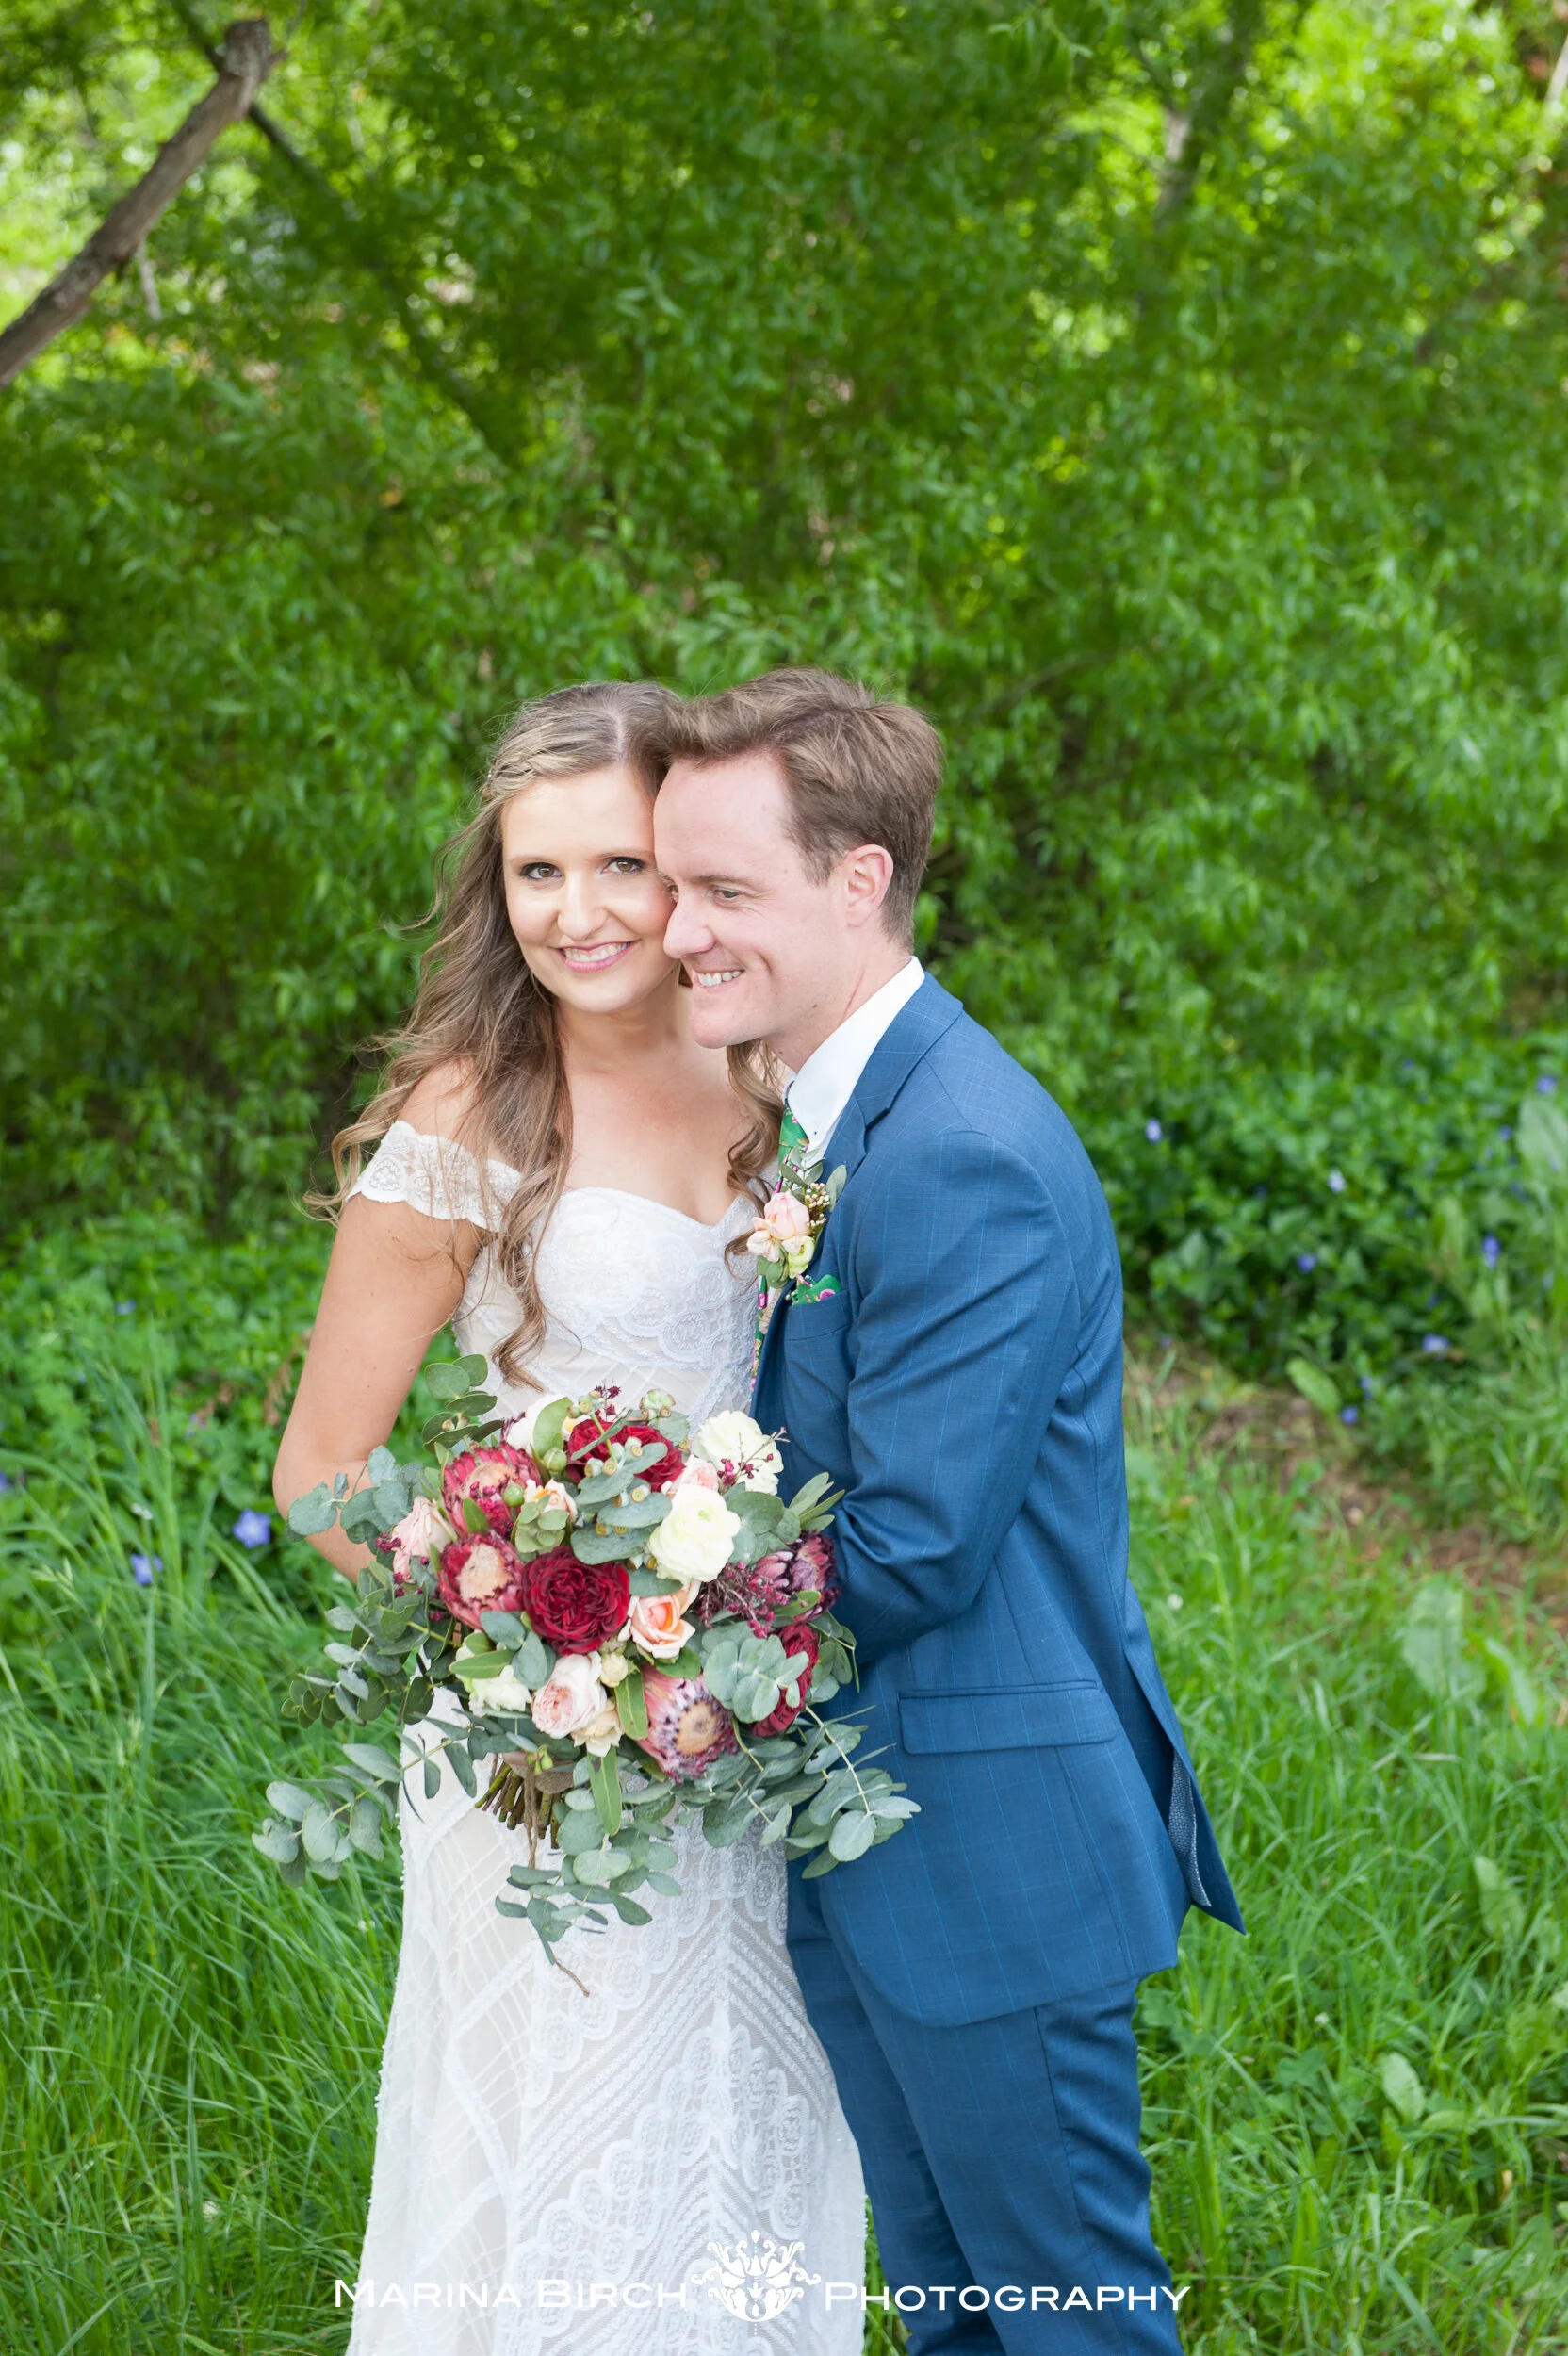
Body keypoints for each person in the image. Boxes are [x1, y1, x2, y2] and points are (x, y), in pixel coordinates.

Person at [651, 669, 1243, 2354]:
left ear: (860, 879)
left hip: (990, 1847)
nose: (681, 928)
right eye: (675, 883)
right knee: (967, 2324)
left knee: (1070, 2324)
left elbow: (907, 1544)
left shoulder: (958, 1146)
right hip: (883, 1842)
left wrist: (628, 1626)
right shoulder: (850, 1121)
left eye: (725, 890)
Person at [273, 681, 864, 2356]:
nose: (580, 912)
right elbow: (323, 1467)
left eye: (621, 865)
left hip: (754, 1721)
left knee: (750, 2115)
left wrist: (724, 1644)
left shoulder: (776, 1079)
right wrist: (523, 1628)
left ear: (687, 872)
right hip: (540, 1753)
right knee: (561, 2138)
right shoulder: (468, 1118)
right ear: (497, 888)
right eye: (538, 873)